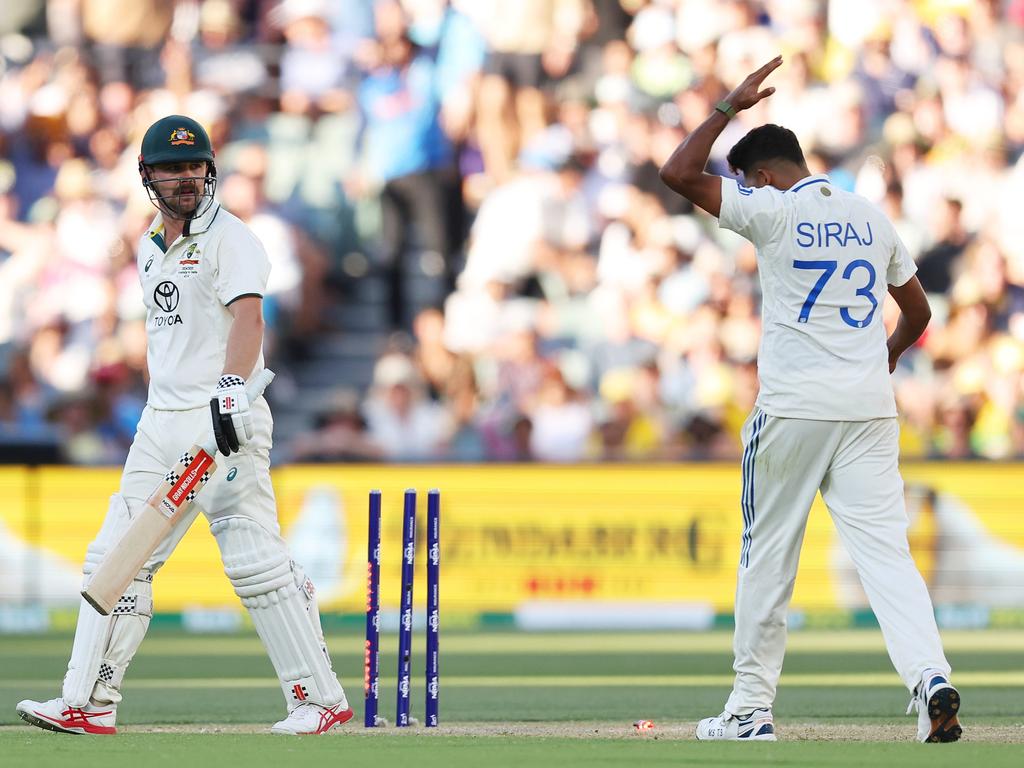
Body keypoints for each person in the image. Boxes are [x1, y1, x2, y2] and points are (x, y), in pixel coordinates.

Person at [15, 115, 352, 735]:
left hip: (223, 419)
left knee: (254, 563)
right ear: (147, 176)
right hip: (160, 421)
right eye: (171, 168)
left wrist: (229, 391)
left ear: (209, 168)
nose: (185, 178)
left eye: (194, 165)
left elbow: (248, 321)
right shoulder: (147, 245)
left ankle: (319, 699)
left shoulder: (233, 238)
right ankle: (87, 702)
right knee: (115, 558)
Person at [659, 58, 961, 744]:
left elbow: (677, 174)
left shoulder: (773, 209)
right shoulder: (869, 216)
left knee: (766, 557)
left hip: (795, 409)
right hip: (869, 410)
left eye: (744, 180)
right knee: (888, 557)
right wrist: (886, 354)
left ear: (762, 174)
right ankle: (931, 678)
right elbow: (917, 312)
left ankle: (749, 710)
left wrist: (727, 109)